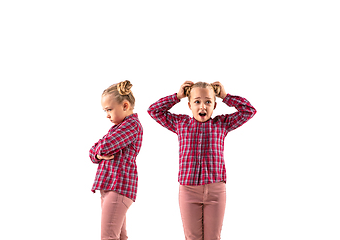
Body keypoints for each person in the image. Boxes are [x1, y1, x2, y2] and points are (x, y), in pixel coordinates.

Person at [148, 81, 256, 240]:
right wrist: (176, 97)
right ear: (189, 105)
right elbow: (154, 110)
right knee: (192, 238)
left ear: (215, 106)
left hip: (216, 190)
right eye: (197, 101)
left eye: (208, 102)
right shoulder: (180, 123)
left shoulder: (222, 124)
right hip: (188, 190)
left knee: (213, 237)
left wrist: (226, 96)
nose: (203, 107)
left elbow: (249, 111)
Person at [89, 80, 143, 240]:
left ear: (125, 106)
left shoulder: (132, 125)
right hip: (110, 187)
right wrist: (98, 153)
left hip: (118, 187)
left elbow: (104, 146)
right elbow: (93, 152)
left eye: (109, 109)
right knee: (119, 236)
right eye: (105, 110)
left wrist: (99, 150)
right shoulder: (118, 128)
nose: (107, 114)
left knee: (109, 236)